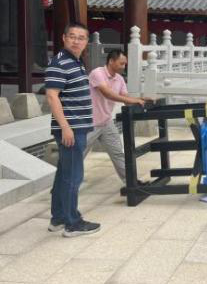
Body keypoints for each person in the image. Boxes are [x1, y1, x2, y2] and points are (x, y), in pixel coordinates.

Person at [45, 23, 100, 237]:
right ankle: (72, 223)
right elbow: (52, 96)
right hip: (71, 129)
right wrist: (65, 127)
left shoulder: (75, 62)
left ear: (86, 42)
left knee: (64, 174)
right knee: (73, 176)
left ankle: (58, 217)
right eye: (72, 36)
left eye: (81, 37)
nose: (76, 41)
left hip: (76, 126)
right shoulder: (59, 63)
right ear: (64, 38)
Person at [85, 49, 146, 182]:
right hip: (89, 123)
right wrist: (134, 100)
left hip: (106, 122)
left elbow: (126, 98)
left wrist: (141, 100)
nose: (124, 66)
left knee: (118, 152)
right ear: (111, 61)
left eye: (125, 64)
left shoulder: (119, 79)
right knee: (76, 156)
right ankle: (62, 187)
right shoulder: (97, 73)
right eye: (121, 63)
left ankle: (131, 182)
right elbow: (108, 94)